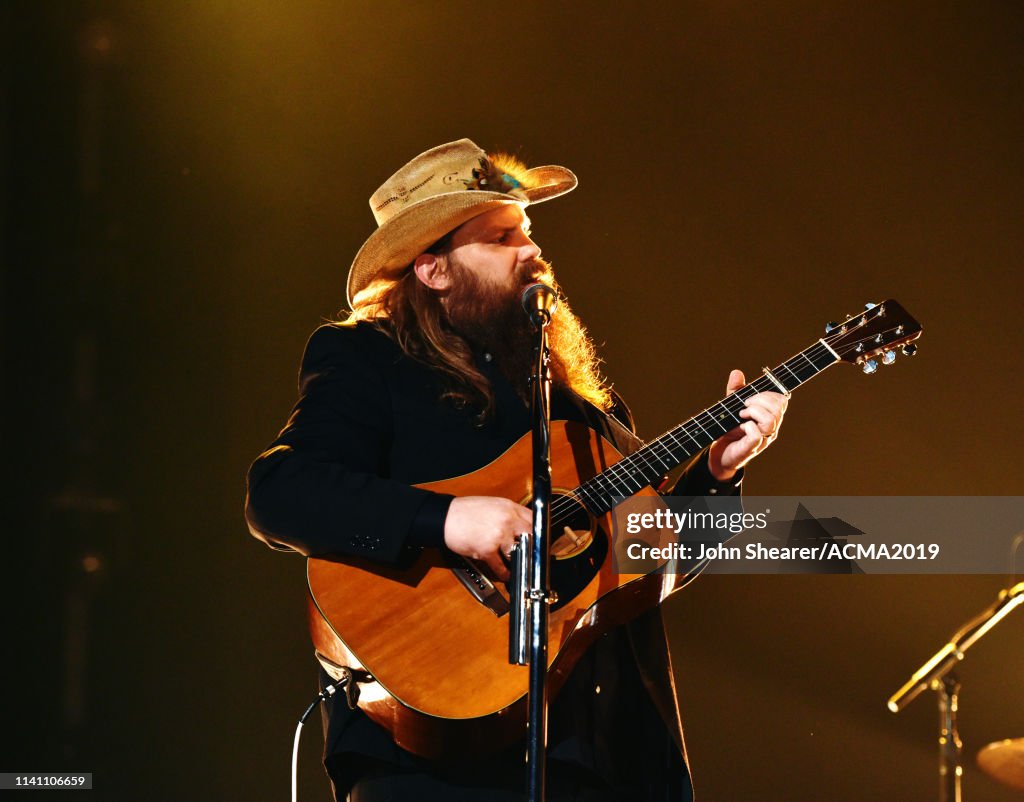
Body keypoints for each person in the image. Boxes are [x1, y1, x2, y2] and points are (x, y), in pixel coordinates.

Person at [245, 138, 788, 801]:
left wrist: (719, 474)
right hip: (436, 764)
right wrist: (446, 519)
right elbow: (281, 492)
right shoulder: (369, 360)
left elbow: (644, 568)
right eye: (502, 237)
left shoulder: (584, 409)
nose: (532, 251)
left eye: (528, 233)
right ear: (433, 270)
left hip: (605, 758)